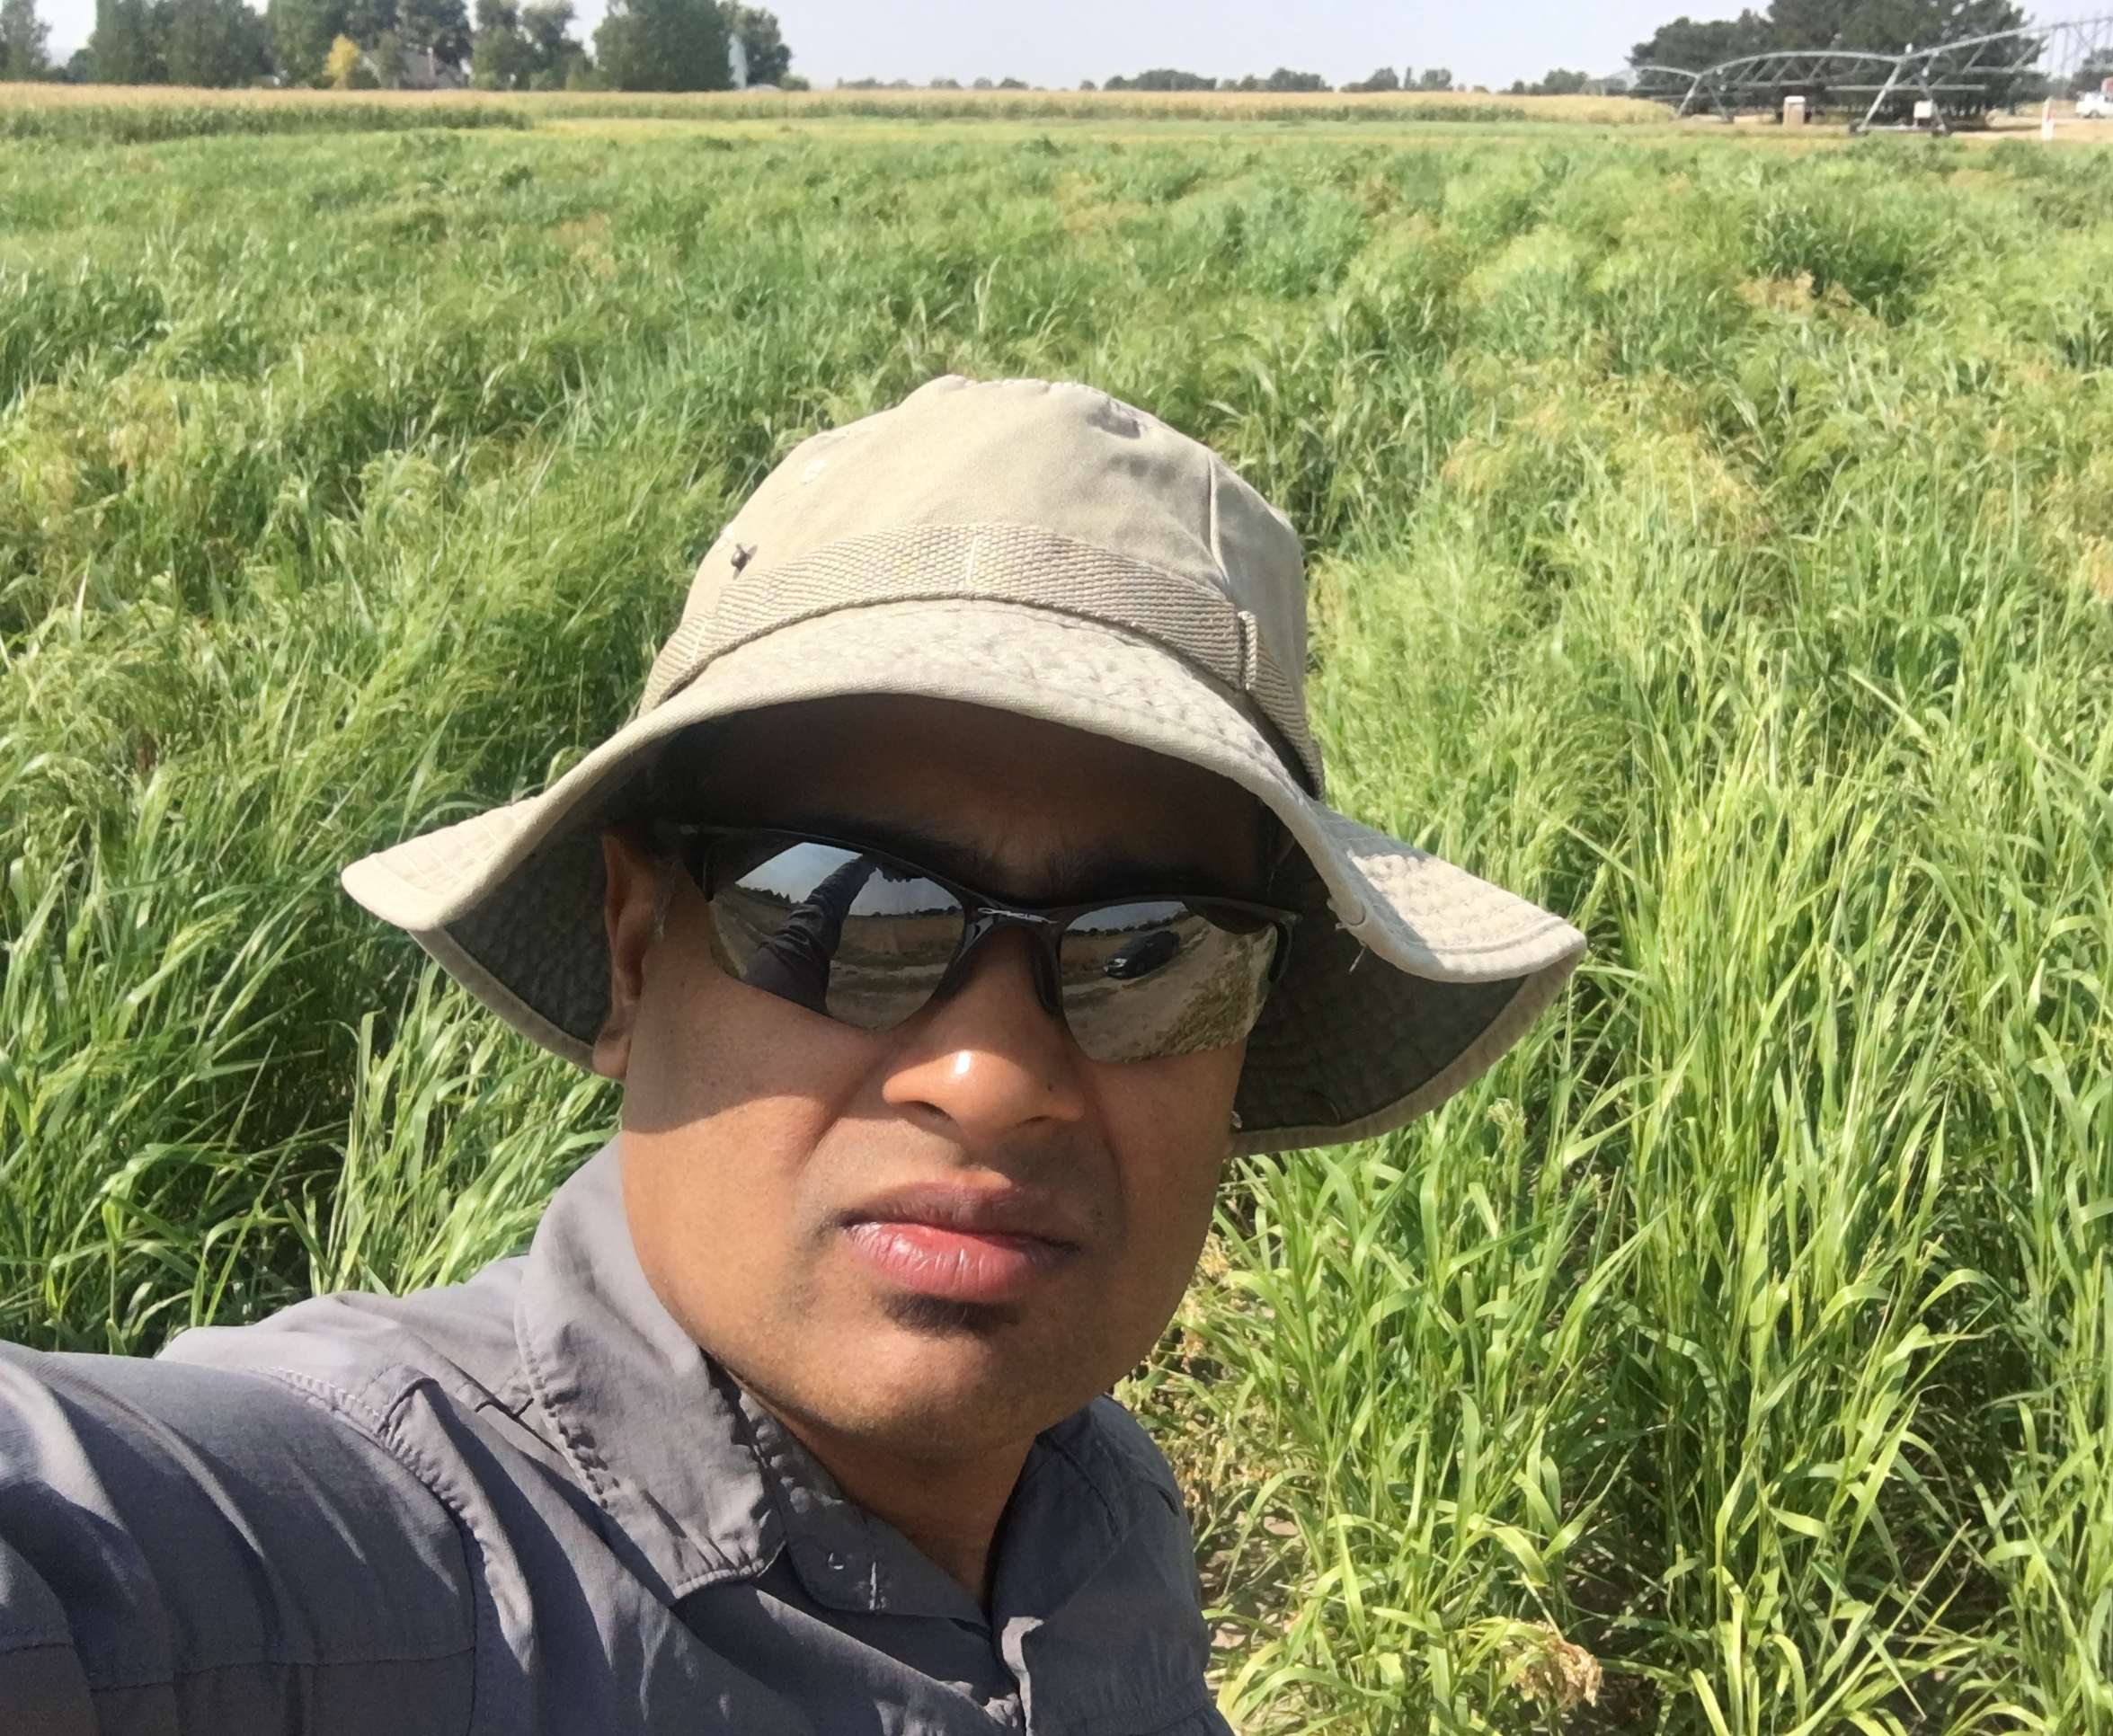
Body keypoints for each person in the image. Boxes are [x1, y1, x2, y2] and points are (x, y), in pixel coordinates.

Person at [0, 376, 1585, 1733]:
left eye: (1148, 951)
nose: (993, 1079)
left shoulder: (1094, 1509)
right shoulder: (372, 1564)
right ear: (637, 953)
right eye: (838, 908)